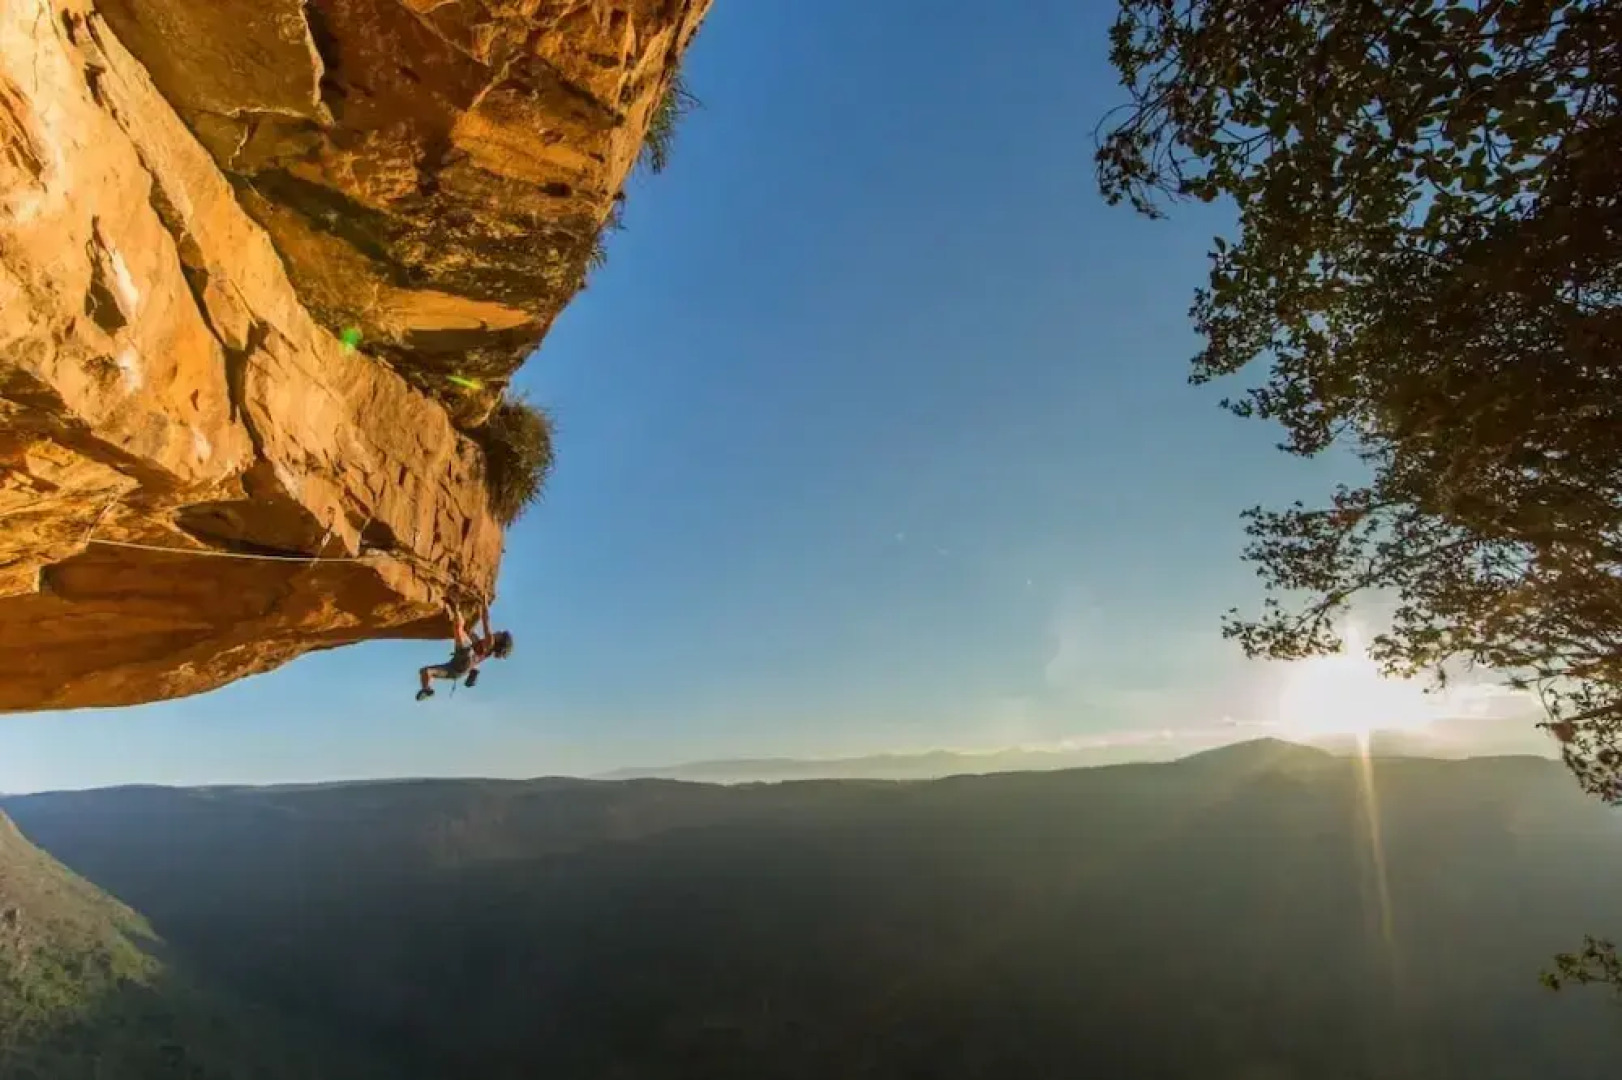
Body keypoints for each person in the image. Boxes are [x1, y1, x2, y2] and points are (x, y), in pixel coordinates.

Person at [416, 602, 513, 701]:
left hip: (465, 659)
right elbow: (470, 634)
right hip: (456, 671)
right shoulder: (485, 649)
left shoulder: (490, 642)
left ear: (500, 641)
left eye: (501, 634)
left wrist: (484, 603)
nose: (499, 632)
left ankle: (455, 606)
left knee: (459, 629)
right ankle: (426, 689)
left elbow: (486, 621)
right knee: (425, 672)